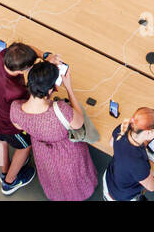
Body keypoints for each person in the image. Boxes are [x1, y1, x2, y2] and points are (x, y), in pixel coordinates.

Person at [9, 57, 97, 201]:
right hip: (67, 152)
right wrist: (69, 89)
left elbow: (18, 125)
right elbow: (78, 122)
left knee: (52, 176)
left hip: (42, 151)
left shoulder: (16, 108)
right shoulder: (60, 110)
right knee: (72, 176)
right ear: (50, 90)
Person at [0, 42, 40, 194]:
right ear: (22, 70)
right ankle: (10, 182)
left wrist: (44, 56)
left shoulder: (1, 58)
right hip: (9, 125)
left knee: (0, 138)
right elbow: (30, 104)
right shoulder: (15, 91)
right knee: (25, 146)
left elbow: (22, 49)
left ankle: (4, 171)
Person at [104, 106, 154, 200]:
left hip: (110, 176)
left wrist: (142, 142)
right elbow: (152, 186)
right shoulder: (137, 163)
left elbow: (111, 143)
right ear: (147, 133)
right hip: (122, 194)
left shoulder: (123, 126)